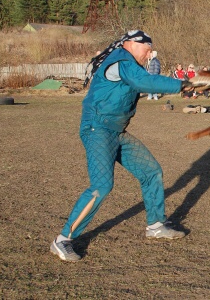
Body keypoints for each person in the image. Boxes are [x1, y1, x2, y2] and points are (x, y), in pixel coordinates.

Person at [50, 30, 193, 262]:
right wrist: (182, 85)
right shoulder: (120, 61)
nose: (149, 55)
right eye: (147, 49)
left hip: (116, 131)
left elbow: (142, 81)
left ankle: (156, 225)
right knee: (102, 186)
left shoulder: (130, 64)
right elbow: (144, 81)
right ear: (130, 44)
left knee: (150, 171)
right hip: (98, 129)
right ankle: (63, 239)